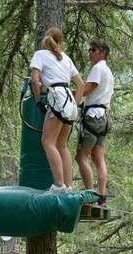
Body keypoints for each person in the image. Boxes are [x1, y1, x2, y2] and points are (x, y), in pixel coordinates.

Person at [30, 27, 84, 192]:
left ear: (46, 39)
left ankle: (59, 185)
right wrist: (75, 103)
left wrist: (39, 100)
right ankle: (68, 186)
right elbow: (81, 84)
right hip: (69, 102)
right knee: (62, 145)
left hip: (57, 99)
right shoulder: (66, 59)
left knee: (47, 142)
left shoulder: (40, 55)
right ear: (60, 42)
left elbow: (34, 80)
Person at [75, 39, 114, 205]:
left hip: (92, 117)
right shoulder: (108, 71)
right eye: (89, 50)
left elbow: (88, 89)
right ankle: (102, 197)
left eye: (93, 50)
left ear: (102, 52)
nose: (90, 53)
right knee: (99, 159)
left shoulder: (97, 68)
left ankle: (91, 194)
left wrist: (70, 94)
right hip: (104, 118)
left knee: (81, 157)